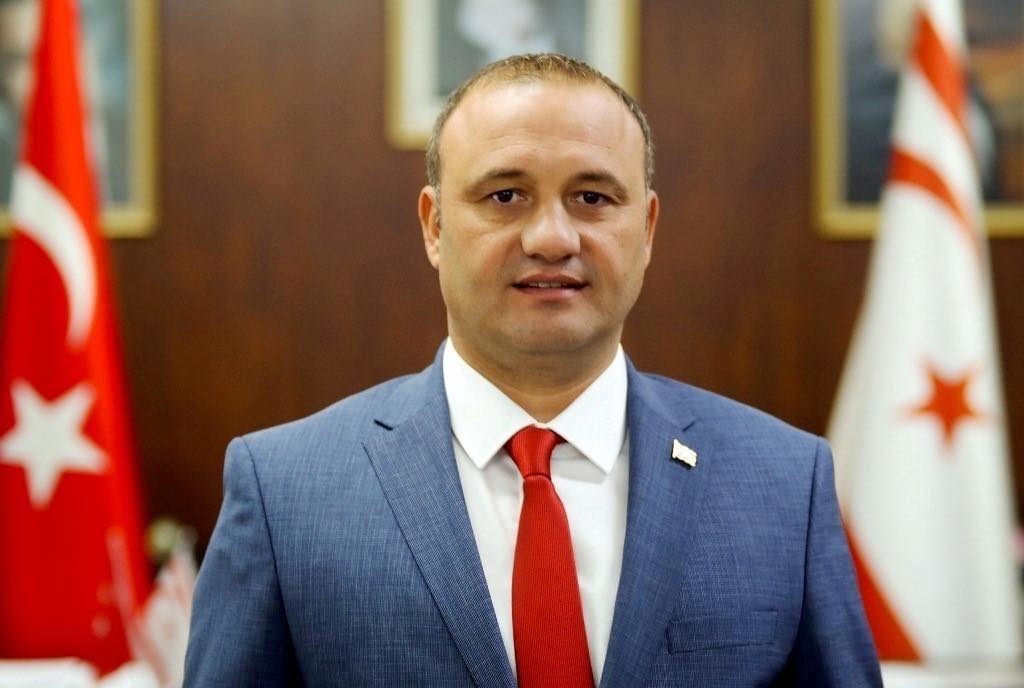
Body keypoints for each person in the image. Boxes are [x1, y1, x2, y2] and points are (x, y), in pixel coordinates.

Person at [184, 53, 882, 687]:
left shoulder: (785, 484)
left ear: (646, 230)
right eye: (505, 196)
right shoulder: (284, 493)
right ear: (434, 226)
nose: (552, 238)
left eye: (593, 198)